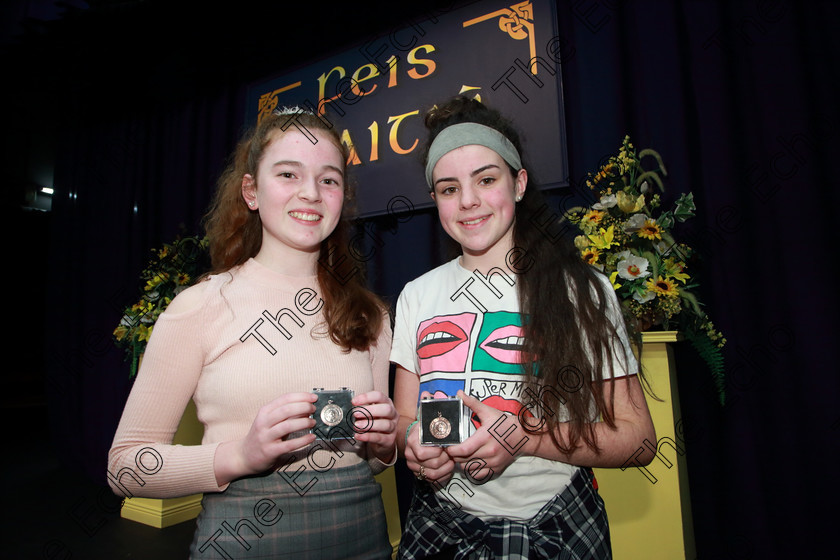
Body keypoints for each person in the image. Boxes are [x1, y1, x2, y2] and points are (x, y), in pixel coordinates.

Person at [108, 108, 398, 559]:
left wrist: (384, 444)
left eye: (329, 179)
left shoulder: (372, 314)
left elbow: (378, 459)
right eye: (288, 173)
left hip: (364, 538)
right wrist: (239, 457)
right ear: (251, 191)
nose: (311, 193)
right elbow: (126, 469)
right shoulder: (201, 305)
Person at [391, 96, 656, 559]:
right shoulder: (417, 294)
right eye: (449, 189)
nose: (468, 201)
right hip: (439, 528)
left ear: (518, 183)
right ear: (434, 199)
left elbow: (639, 441)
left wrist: (525, 439)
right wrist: (416, 449)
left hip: (556, 528)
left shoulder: (583, 290)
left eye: (486, 180)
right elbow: (402, 421)